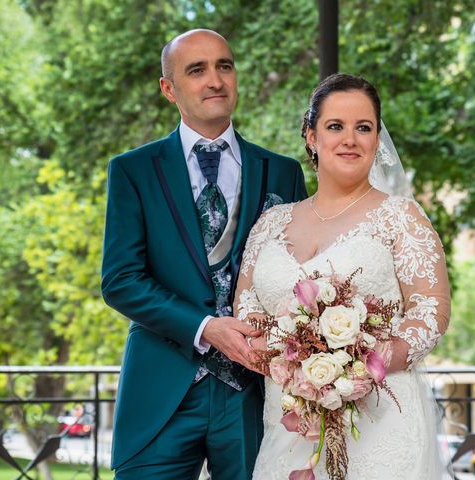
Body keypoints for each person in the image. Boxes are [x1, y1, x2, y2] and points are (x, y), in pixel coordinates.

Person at [101, 29, 307, 480]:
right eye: (197, 70)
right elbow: (120, 280)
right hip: (162, 387)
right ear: (168, 88)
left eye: (224, 66)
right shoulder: (133, 171)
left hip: (252, 390)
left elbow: (302, 278)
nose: (215, 79)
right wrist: (206, 328)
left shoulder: (284, 173)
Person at [235, 73, 452, 479]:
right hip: (288, 420)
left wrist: (361, 365)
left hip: (380, 418)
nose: (349, 139)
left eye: (363, 127)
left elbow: (431, 309)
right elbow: (247, 306)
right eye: (335, 126)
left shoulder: (399, 217)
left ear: (376, 140)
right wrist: (293, 359)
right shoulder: (270, 222)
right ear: (311, 136)